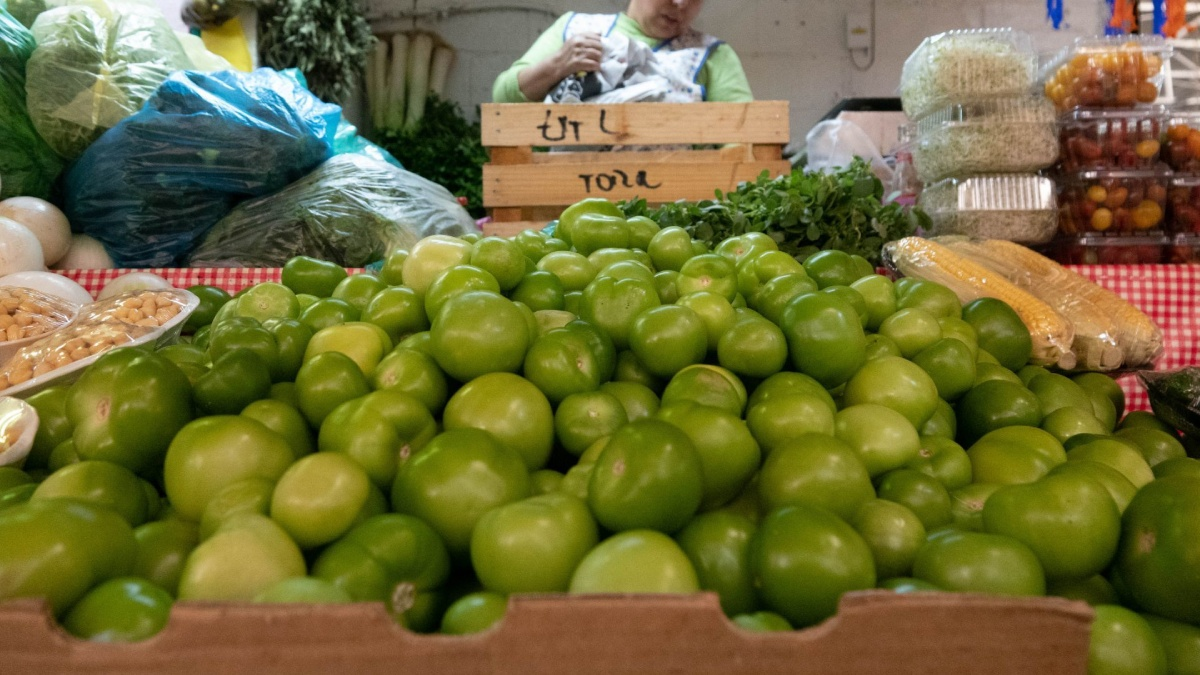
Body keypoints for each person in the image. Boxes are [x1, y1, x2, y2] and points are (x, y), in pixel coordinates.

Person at [492, 0, 752, 105]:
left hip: (677, 207)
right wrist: (559, 64)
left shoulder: (712, 55)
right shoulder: (575, 29)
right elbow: (503, 98)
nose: (680, 3)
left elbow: (743, 137)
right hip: (574, 199)